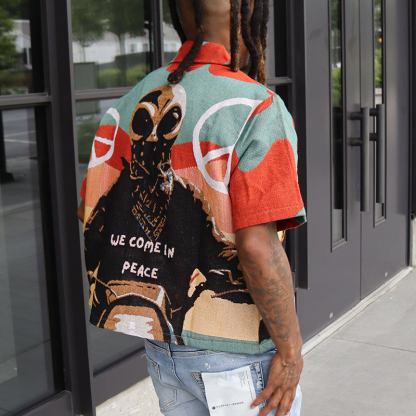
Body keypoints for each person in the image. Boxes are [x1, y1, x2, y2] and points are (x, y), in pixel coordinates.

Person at [77, 0, 307, 415]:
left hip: (162, 349)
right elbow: (257, 246)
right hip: (236, 354)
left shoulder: (129, 100)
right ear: (247, 17)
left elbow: (88, 211)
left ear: (180, 15)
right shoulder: (258, 107)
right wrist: (290, 352)